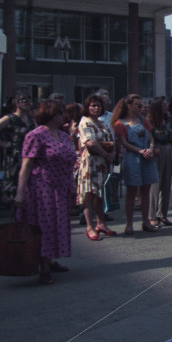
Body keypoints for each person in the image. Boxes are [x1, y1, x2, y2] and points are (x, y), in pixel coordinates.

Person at [13, 99, 78, 285]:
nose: (63, 116)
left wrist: (72, 187)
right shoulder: (35, 135)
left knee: (57, 225)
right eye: (59, 113)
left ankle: (50, 259)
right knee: (44, 226)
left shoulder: (63, 135)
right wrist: (19, 192)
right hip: (42, 189)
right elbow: (26, 165)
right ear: (50, 115)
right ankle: (43, 268)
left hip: (61, 187)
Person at [112, 94, 159, 234]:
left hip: (147, 158)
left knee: (146, 191)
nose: (141, 108)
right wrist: (140, 151)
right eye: (138, 105)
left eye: (142, 105)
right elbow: (124, 143)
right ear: (129, 106)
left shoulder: (144, 121)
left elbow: (151, 138)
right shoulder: (119, 124)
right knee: (132, 192)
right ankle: (129, 224)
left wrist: (150, 149)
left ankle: (146, 221)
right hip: (132, 158)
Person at [76, 94, 116, 240]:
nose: (96, 108)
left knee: (100, 193)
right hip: (91, 162)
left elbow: (112, 140)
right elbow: (90, 143)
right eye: (93, 105)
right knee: (89, 194)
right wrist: (106, 153)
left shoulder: (103, 123)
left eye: (98, 106)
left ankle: (101, 223)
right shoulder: (84, 122)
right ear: (87, 107)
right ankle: (90, 227)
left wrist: (111, 154)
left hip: (103, 163)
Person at [0, 93, 35, 205]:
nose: (27, 103)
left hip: (30, 153)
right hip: (15, 154)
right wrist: (3, 144)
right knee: (14, 184)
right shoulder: (9, 118)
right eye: (24, 101)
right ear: (16, 103)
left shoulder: (31, 119)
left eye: (29, 101)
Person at [148, 97, 172, 228]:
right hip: (156, 149)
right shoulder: (149, 121)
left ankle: (163, 214)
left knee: (167, 184)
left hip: (168, 149)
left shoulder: (169, 119)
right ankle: (151, 216)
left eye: (166, 104)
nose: (166, 106)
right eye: (163, 104)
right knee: (155, 184)